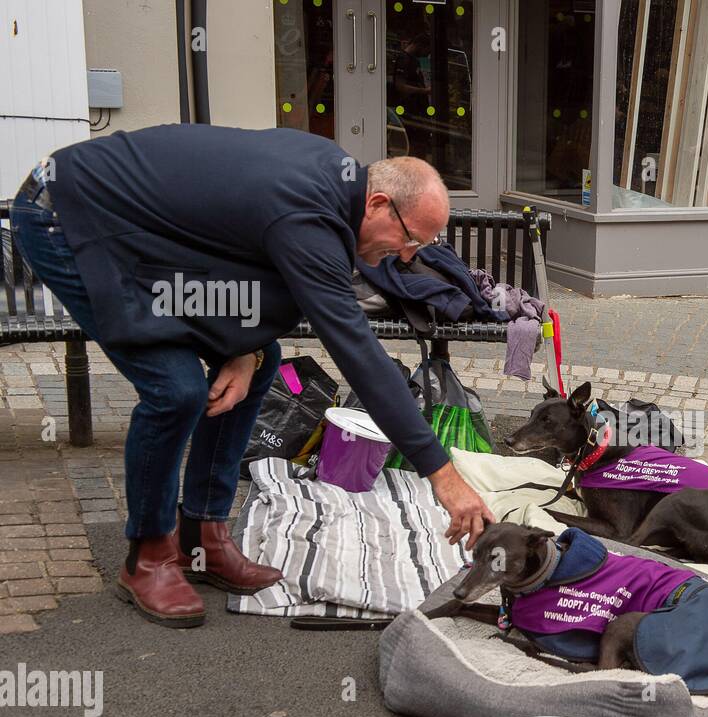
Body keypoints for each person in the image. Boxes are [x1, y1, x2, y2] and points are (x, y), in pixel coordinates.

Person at [10, 124, 495, 629]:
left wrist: (242, 347)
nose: (410, 255)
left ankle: (203, 534)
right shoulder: (308, 214)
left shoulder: (333, 182)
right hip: (66, 217)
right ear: (376, 203)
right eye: (411, 237)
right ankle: (149, 555)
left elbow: (249, 257)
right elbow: (358, 353)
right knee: (176, 391)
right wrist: (442, 475)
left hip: (154, 236)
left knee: (260, 361)